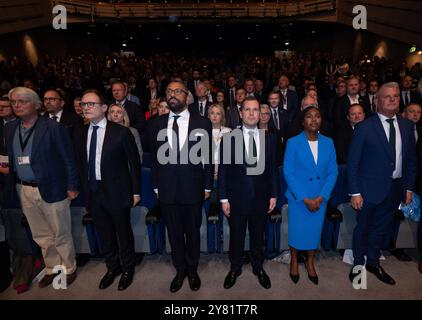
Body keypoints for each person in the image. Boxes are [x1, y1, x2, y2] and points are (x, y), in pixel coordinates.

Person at [4, 87, 79, 288]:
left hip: (53, 187)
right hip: (23, 189)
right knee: (40, 234)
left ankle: (69, 268)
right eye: (14, 102)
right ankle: (52, 267)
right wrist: (6, 182)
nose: (16, 105)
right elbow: (5, 158)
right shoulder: (9, 128)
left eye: (22, 101)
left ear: (36, 105)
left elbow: (68, 159)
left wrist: (72, 185)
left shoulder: (53, 127)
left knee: (60, 232)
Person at [348, 82, 417, 285]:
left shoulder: (406, 126)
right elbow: (353, 164)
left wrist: (409, 188)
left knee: (381, 229)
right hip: (368, 190)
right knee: (363, 229)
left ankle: (374, 262)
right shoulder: (364, 127)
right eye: (387, 96)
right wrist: (355, 192)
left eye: (396, 96)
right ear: (377, 101)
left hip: (395, 189)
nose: (393, 99)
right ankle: (359, 265)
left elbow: (411, 161)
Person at [148, 80, 213, 293]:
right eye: (169, 91)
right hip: (166, 189)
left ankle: (192, 270)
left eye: (178, 91)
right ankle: (180, 270)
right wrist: (156, 185)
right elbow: (155, 160)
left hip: (193, 188)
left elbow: (208, 157)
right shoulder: (156, 124)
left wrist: (207, 186)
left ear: (187, 96)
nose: (173, 95)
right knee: (174, 233)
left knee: (192, 232)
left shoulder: (202, 123)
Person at [74, 89, 141, 291]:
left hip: (117, 191)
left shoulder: (121, 132)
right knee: (105, 233)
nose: (86, 108)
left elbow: (135, 165)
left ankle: (128, 268)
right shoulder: (78, 132)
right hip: (93, 191)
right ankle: (112, 267)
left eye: (91, 104)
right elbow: (79, 164)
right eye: (84, 104)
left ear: (104, 108)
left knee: (123, 232)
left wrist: (136, 191)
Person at [218, 97, 278, 290]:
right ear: (241, 113)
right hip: (236, 199)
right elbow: (224, 171)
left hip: (261, 198)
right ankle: (235, 268)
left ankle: (258, 267)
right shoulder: (228, 138)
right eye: (248, 110)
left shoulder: (269, 138)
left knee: (258, 237)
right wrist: (224, 198)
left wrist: (273, 195)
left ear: (260, 114)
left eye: (255, 110)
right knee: (236, 237)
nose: (252, 113)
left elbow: (272, 171)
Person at [283, 106, 338, 285]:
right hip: (299, 198)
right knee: (296, 231)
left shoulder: (328, 142)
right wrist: (304, 198)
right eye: (309, 117)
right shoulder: (293, 142)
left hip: (319, 198)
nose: (313, 120)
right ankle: (293, 260)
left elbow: (333, 172)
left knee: (314, 232)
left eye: (317, 116)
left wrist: (322, 197)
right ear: (302, 121)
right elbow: (288, 172)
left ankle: (310, 261)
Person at [208, 104, 231, 182]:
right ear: (208, 115)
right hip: (206, 174)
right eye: (212, 113)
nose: (215, 116)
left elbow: (230, 156)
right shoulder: (202, 132)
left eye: (218, 114)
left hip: (224, 174)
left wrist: (220, 172)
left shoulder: (228, 131)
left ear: (222, 116)